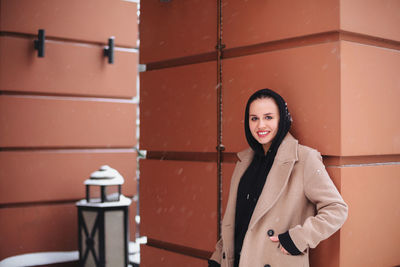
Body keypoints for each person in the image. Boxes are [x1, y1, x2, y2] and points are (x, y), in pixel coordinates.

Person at [208, 89, 348, 267]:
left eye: (268, 117)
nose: (260, 125)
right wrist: (218, 257)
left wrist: (298, 239)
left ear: (281, 119)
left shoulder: (304, 159)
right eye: (254, 118)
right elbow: (237, 219)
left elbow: (337, 209)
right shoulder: (244, 162)